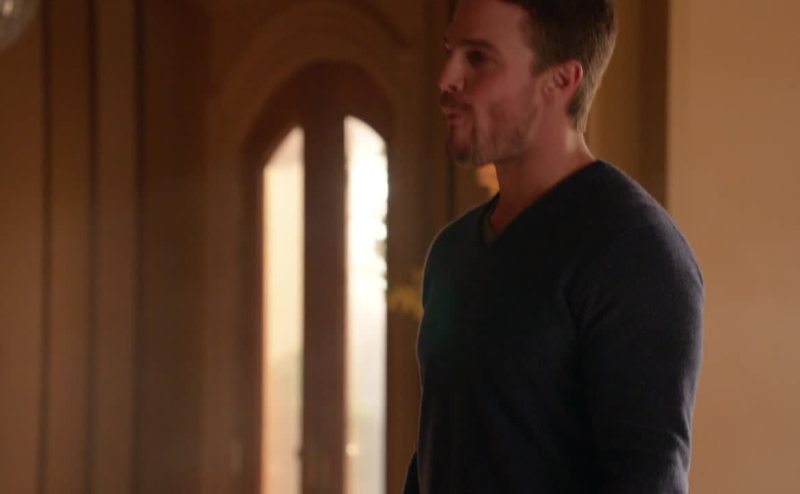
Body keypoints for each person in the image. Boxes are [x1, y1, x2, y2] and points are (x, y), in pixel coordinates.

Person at [403, 0, 704, 492]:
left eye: (477, 57)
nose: (447, 78)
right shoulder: (453, 253)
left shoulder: (635, 254)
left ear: (561, 80)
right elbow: (439, 455)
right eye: (449, 50)